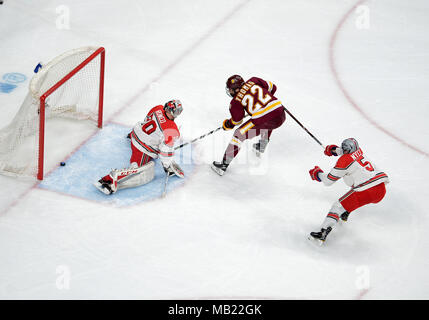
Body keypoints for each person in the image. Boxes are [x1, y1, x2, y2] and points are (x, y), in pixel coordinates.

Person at [308, 138, 389, 244]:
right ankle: (346, 212)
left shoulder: (344, 161)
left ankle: (323, 232)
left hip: (367, 190)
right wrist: (334, 150)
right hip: (381, 188)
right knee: (354, 183)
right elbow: (347, 152)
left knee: (337, 206)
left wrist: (317, 174)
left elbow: (328, 181)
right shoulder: (359, 151)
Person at [94, 100, 184, 195]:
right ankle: (110, 179)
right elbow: (165, 153)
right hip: (142, 149)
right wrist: (167, 166)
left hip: (134, 135)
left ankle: (131, 137)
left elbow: (147, 120)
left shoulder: (158, 108)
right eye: (177, 112)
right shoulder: (172, 129)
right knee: (139, 171)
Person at [211, 75, 286, 176]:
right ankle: (261, 145)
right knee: (267, 122)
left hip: (264, 119)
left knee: (238, 134)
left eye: (231, 90)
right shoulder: (254, 80)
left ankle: (223, 166)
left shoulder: (235, 101)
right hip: (280, 112)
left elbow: (237, 120)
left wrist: (227, 124)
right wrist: (266, 102)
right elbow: (273, 87)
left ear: (236, 89)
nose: (230, 92)